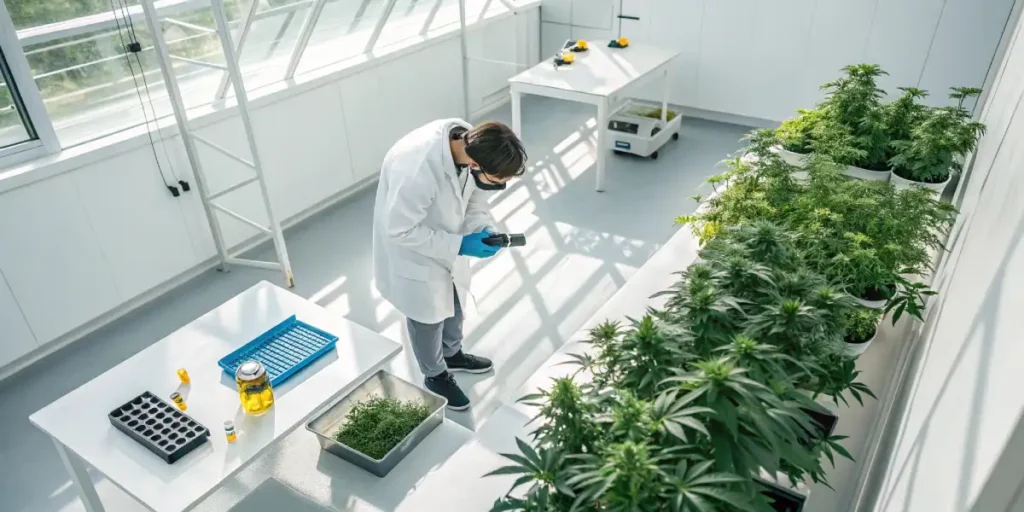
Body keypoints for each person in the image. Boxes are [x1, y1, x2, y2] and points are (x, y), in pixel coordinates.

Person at [371, 119, 527, 410]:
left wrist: (483, 229)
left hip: (441, 241)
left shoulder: (472, 143)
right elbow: (399, 230)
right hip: (412, 249)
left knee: (453, 304)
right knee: (427, 318)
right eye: (498, 181)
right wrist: (459, 244)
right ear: (475, 165)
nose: (500, 186)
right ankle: (435, 375)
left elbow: (474, 200)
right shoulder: (417, 167)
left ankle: (452, 355)